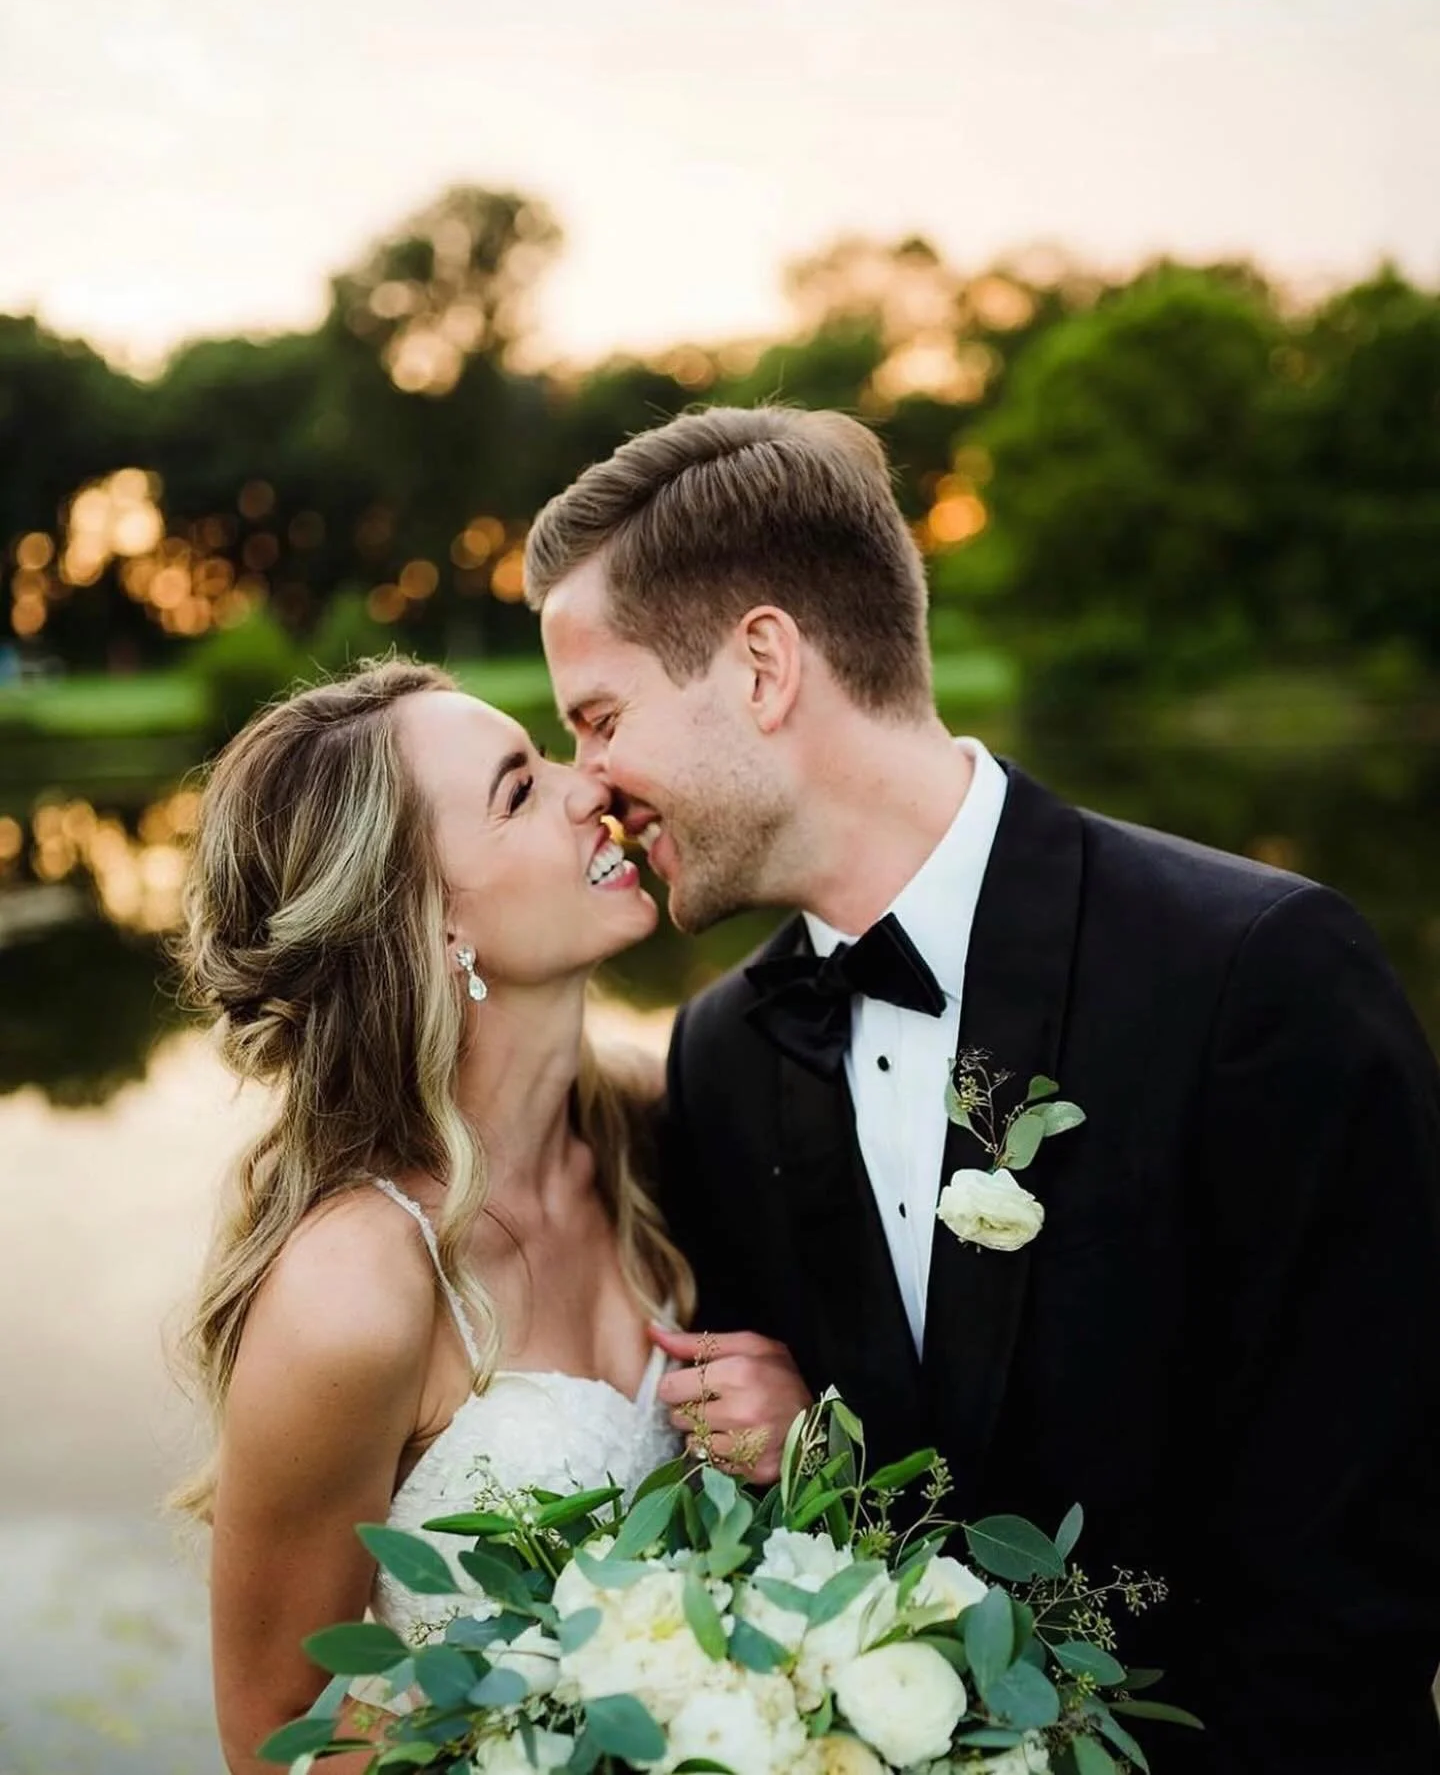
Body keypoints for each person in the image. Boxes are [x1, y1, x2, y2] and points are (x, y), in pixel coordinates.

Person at [529, 404, 1440, 1774]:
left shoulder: (1256, 974)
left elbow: (1366, 1554)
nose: (589, 787)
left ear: (763, 666)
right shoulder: (723, 1053)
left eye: (601, 720)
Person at [173, 661, 804, 1774]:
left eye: (548, 752)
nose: (589, 782)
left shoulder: (657, 1133)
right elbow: (277, 1740)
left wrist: (798, 1443)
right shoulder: (359, 1287)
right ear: (429, 916)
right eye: (519, 788)